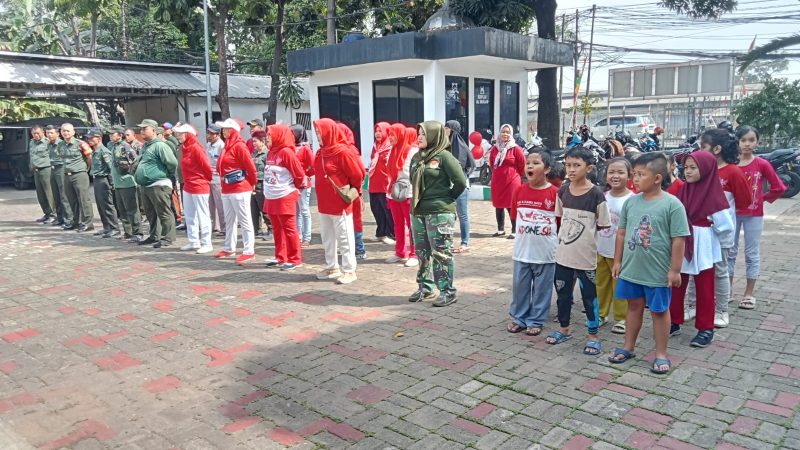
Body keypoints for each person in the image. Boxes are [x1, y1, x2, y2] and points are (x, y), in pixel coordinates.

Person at [608, 152, 690, 375]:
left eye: (641, 174)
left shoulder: (672, 205)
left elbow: (679, 239)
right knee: (633, 306)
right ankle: (628, 347)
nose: (634, 179)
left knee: (659, 311)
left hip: (658, 273)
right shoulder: (631, 202)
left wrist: (675, 270)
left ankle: (661, 354)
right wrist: (617, 261)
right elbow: (622, 233)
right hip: (632, 269)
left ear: (657, 178)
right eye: (634, 174)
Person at [546, 147, 611, 355]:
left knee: (589, 297)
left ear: (589, 167)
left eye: (577, 165)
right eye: (568, 165)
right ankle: (564, 330)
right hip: (563, 256)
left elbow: (602, 224)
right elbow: (561, 218)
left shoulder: (596, 195)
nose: (571, 170)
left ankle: (593, 336)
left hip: (586, 259)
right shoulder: (563, 191)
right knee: (563, 295)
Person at [669, 151, 734, 348]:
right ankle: (673, 320)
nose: (687, 171)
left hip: (703, 244)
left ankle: (706, 328)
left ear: (705, 169)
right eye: (686, 167)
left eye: (693, 167)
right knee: (676, 283)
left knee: (705, 287)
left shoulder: (714, 195)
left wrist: (707, 235)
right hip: (682, 240)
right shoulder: (683, 190)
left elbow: (726, 226)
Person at [408, 121, 467, 307]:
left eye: (423, 135)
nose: (419, 137)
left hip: (440, 212)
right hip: (418, 211)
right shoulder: (417, 157)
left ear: (434, 135)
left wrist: (446, 198)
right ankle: (425, 288)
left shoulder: (444, 157)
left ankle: (447, 291)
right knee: (422, 252)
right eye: (418, 134)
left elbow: (460, 182)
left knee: (441, 253)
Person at [698, 128, 750, 328]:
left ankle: (721, 310)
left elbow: (744, 201)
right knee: (697, 270)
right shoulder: (700, 170)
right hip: (699, 230)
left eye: (704, 147)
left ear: (717, 149)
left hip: (721, 233)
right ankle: (693, 305)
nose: (700, 150)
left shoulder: (732, 172)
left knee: (720, 270)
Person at [730, 126, 786, 310]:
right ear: (737, 142)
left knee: (751, 253)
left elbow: (779, 187)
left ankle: (749, 294)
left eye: (751, 140)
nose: (747, 144)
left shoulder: (762, 164)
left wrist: (762, 199)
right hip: (732, 214)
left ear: (757, 142)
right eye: (743, 140)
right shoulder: (731, 164)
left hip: (754, 215)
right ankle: (726, 291)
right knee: (729, 252)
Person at [507, 150, 559, 336]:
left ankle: (536, 319)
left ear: (547, 169)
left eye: (535, 163)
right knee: (520, 287)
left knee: (542, 290)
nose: (529, 166)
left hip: (546, 253)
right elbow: (514, 217)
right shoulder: (519, 190)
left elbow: (559, 222)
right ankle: (518, 318)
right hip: (522, 252)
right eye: (528, 162)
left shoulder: (555, 193)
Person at [313, 118, 366, 284]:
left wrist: (353, 190)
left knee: (345, 237)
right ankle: (332, 266)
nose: (318, 136)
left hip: (340, 202)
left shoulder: (343, 151)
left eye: (320, 133)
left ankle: (349, 269)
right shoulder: (321, 152)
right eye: (316, 133)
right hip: (324, 203)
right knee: (327, 237)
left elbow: (358, 174)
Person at [596, 157, 633, 334]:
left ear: (629, 175)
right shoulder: (602, 197)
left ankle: (622, 318)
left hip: (621, 254)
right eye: (611, 172)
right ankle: (601, 314)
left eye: (620, 172)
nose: (615, 176)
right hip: (600, 249)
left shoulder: (632, 200)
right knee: (600, 284)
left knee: (619, 286)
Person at [263, 124, 307, 271]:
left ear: (278, 136)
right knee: (276, 228)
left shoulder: (286, 152)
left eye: (269, 135)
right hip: (271, 196)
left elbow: (299, 174)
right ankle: (280, 257)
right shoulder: (271, 153)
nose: (266, 138)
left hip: (284, 196)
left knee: (289, 228)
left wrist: (295, 188)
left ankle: (295, 259)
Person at [215, 118, 258, 264]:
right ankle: (229, 247)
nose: (223, 131)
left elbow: (250, 167)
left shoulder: (239, 146)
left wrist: (252, 183)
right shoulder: (227, 145)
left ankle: (249, 250)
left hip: (239, 187)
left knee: (245, 220)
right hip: (227, 187)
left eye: (226, 129)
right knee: (229, 220)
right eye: (223, 129)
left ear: (232, 130)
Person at [133, 119, 178, 248]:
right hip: (146, 185)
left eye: (144, 129)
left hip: (158, 184)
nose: (141, 131)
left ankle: (168, 237)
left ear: (153, 130)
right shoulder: (146, 146)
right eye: (141, 129)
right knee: (150, 213)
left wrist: (165, 174)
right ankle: (154, 236)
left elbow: (172, 163)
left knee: (163, 212)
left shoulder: (160, 145)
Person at [174, 124, 213, 253]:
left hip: (199, 185)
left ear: (188, 134)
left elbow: (206, 167)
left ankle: (207, 243)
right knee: (190, 215)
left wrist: (205, 180)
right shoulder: (184, 148)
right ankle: (194, 241)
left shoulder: (196, 148)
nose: (178, 136)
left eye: (180, 134)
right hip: (188, 185)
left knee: (203, 215)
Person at [387, 126, 420, 267]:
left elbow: (413, 173)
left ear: (400, 135)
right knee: (398, 224)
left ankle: (414, 253)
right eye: (389, 135)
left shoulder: (412, 152)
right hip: (394, 193)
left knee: (412, 225)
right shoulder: (392, 151)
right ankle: (400, 252)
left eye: (392, 135)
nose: (390, 138)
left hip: (408, 193)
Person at [337, 122, 368, 260]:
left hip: (350, 192)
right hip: (337, 194)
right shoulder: (331, 150)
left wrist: (358, 192)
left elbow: (360, 172)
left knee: (354, 221)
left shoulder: (350, 151)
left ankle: (359, 249)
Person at [444, 120, 476, 253]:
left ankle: (464, 242)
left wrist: (463, 177)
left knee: (462, 215)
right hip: (446, 185)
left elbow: (471, 164)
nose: (444, 130)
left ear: (453, 130)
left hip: (460, 186)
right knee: (448, 215)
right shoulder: (444, 145)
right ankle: (448, 241)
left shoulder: (461, 147)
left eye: (447, 128)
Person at [489, 124, 525, 238]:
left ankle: (514, 231)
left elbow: (522, 164)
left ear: (511, 134)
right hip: (498, 181)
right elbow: (491, 163)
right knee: (498, 205)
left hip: (512, 181)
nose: (505, 134)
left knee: (511, 205)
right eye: (503, 132)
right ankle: (500, 229)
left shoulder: (516, 149)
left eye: (508, 132)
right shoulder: (495, 148)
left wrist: (515, 176)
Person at [108, 126, 142, 242]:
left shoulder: (124, 147)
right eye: (110, 134)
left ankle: (138, 233)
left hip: (127, 183)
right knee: (122, 210)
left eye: (113, 134)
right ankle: (128, 232)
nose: (111, 136)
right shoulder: (114, 147)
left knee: (132, 209)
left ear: (120, 135)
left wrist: (129, 173)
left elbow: (135, 161)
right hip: (118, 184)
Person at [58, 123, 94, 232]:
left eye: (68, 131)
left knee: (84, 200)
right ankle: (74, 222)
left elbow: (89, 157)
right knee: (71, 200)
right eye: (63, 131)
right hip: (66, 175)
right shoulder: (60, 145)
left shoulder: (81, 144)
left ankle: (87, 223)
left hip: (79, 174)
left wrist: (86, 168)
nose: (65, 133)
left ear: (73, 132)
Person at [86, 128, 120, 238]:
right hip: (97, 179)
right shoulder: (95, 150)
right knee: (101, 205)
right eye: (88, 138)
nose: (89, 140)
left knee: (107, 205)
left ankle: (114, 228)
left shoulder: (104, 151)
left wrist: (112, 184)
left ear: (99, 138)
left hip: (103, 180)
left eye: (92, 138)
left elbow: (110, 168)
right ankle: (107, 227)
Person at [368, 122, 395, 243]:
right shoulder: (375, 146)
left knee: (387, 209)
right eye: (376, 131)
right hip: (374, 182)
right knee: (376, 208)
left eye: (380, 131)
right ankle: (381, 232)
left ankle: (391, 233)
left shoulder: (390, 146)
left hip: (385, 183)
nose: (377, 134)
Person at [292, 124, 314, 247]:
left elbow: (312, 165)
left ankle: (307, 237)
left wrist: (305, 174)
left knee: (304, 210)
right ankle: (298, 235)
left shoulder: (305, 148)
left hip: (303, 184)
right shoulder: (290, 147)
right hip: (292, 183)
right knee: (296, 211)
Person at [45, 125, 71, 227]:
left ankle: (68, 219)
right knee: (55, 195)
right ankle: (59, 218)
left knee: (63, 195)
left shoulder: (61, 143)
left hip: (61, 168)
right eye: (47, 133)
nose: (49, 135)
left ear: (57, 133)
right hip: (52, 168)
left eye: (51, 133)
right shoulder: (49, 144)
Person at [29, 125, 55, 223]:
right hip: (36, 170)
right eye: (34, 133)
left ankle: (53, 214)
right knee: (40, 194)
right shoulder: (32, 142)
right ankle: (47, 213)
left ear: (43, 132)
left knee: (49, 193)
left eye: (38, 133)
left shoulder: (47, 142)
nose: (36, 135)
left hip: (46, 169)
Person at [205, 125, 226, 235]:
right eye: (208, 133)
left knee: (220, 204)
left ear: (217, 134)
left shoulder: (221, 146)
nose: (209, 136)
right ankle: (215, 226)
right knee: (211, 204)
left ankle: (224, 227)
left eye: (211, 134)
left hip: (218, 177)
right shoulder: (208, 145)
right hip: (209, 177)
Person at [250, 130, 268, 237]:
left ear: (262, 141)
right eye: (253, 142)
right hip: (253, 184)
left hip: (262, 184)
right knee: (254, 209)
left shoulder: (267, 154)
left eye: (255, 141)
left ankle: (270, 229)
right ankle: (257, 230)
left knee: (263, 208)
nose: (254, 144)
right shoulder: (254, 154)